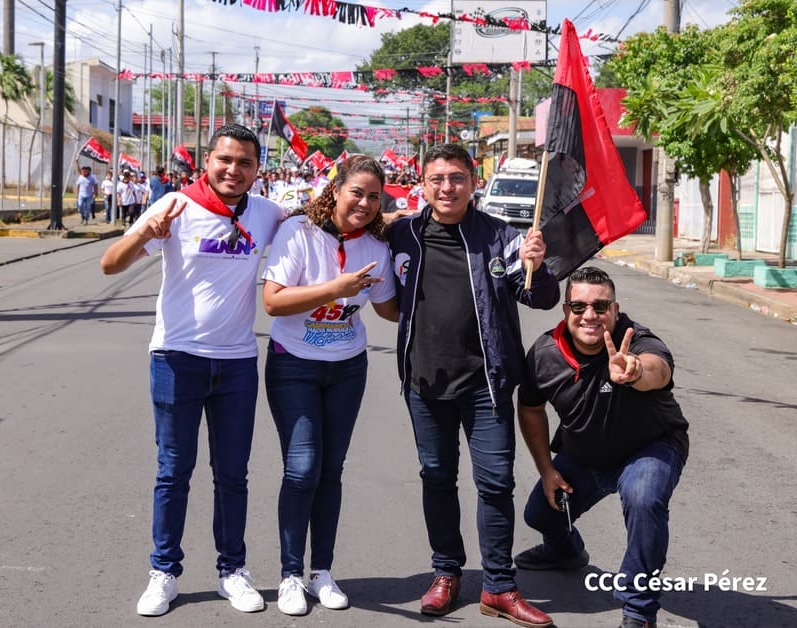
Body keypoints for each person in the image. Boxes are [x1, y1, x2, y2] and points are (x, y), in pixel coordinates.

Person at [100, 124, 286, 618]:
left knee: (232, 475)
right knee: (173, 472)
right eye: (225, 159)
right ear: (207, 161)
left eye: (245, 162)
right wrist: (145, 232)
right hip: (176, 359)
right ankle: (163, 572)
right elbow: (110, 264)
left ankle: (232, 571)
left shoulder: (266, 213)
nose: (234, 170)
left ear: (256, 169)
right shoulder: (175, 206)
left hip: (237, 363)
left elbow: (327, 220)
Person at [387, 143, 559, 627]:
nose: (447, 187)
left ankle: (499, 587)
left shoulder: (502, 237)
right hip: (424, 382)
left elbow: (541, 298)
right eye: (437, 179)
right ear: (423, 185)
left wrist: (539, 265)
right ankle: (446, 573)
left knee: (496, 483)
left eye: (457, 178)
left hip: (487, 384)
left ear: (473, 183)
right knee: (437, 478)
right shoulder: (402, 234)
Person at [262, 155, 399, 616]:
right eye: (356, 192)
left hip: (347, 368)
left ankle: (321, 571)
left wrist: (445, 298)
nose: (364, 203)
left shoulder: (376, 246)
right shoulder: (298, 232)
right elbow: (273, 302)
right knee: (302, 469)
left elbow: (388, 309)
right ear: (335, 189)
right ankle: (290, 575)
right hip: (294, 364)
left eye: (374, 196)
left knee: (331, 470)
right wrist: (335, 290)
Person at [515, 266, 689, 628]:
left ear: (615, 309)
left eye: (600, 306)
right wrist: (547, 470)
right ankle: (565, 552)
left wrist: (636, 371)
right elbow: (530, 408)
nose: (589, 315)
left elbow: (659, 370)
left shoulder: (635, 340)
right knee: (540, 514)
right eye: (579, 307)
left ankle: (639, 611)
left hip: (649, 447)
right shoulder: (545, 354)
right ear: (566, 311)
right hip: (585, 455)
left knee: (643, 497)